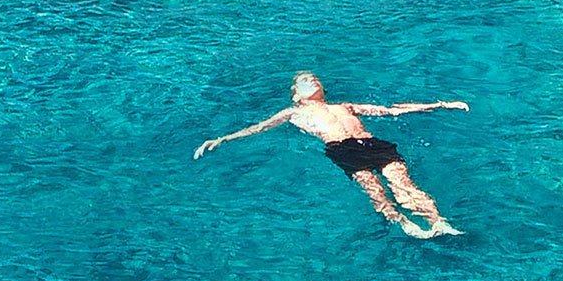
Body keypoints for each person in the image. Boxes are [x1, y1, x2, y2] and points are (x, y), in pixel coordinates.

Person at [194, 72, 469, 239]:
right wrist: (223, 138)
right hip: (342, 149)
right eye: (304, 80)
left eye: (315, 78)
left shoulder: (344, 106)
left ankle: (438, 222)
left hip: (373, 143)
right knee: (374, 189)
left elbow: (391, 110)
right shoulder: (293, 113)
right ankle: (404, 223)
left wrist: (440, 104)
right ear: (296, 95)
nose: (311, 79)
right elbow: (259, 127)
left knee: (404, 184)